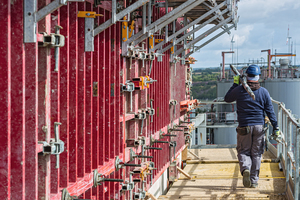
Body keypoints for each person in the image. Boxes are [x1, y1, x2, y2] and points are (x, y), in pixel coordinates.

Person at [224, 65, 280, 188]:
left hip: (244, 126)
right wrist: (276, 127)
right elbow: (270, 111)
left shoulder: (239, 90)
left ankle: (245, 169)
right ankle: (254, 180)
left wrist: (235, 84)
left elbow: (227, 99)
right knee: (256, 153)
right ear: (258, 77)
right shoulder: (264, 92)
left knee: (243, 151)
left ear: (246, 76)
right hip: (259, 127)